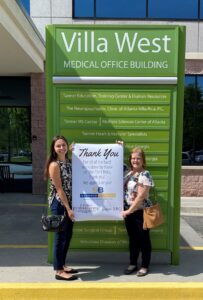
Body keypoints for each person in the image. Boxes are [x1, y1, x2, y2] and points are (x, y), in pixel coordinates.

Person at [44, 135, 78, 281]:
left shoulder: (69, 162)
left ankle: (62, 264)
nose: (61, 148)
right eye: (58, 145)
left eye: (64, 145)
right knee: (60, 236)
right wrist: (68, 209)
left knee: (68, 235)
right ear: (53, 148)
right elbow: (59, 189)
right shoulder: (54, 165)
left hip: (69, 202)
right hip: (59, 203)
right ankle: (58, 270)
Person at [121, 147, 154, 277]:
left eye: (138, 158)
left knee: (144, 240)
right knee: (133, 239)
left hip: (141, 212)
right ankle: (133, 263)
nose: (135, 160)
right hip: (129, 213)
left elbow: (141, 197)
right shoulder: (129, 173)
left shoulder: (145, 174)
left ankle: (145, 266)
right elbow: (115, 162)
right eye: (133, 158)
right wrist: (120, 148)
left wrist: (128, 210)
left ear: (143, 160)